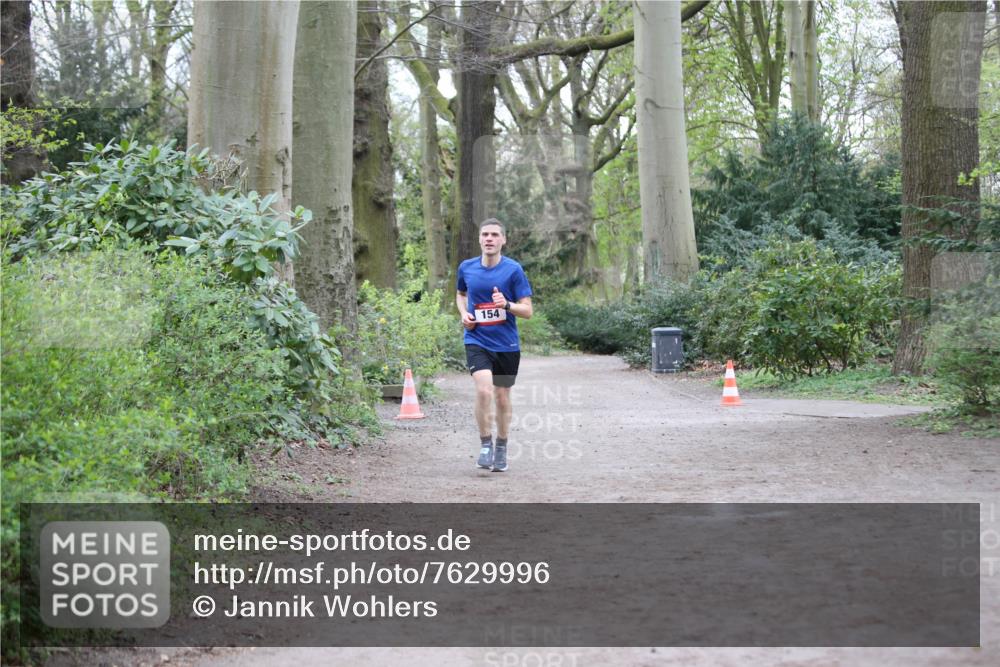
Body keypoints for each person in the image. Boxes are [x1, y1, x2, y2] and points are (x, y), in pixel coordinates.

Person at [455, 218, 533, 472]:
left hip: (507, 344)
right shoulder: (466, 268)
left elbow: (528, 310)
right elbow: (461, 294)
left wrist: (507, 305)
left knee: (501, 396)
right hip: (477, 340)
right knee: (484, 391)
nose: (489, 239)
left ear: (503, 240)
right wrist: (464, 314)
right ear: (479, 239)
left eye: (494, 235)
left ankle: (502, 444)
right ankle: (485, 443)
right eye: (485, 234)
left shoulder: (513, 270)